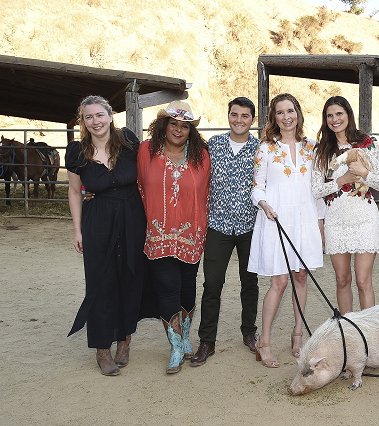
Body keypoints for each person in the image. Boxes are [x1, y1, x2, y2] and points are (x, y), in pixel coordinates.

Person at [65, 95, 148, 376]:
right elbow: (75, 191)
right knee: (100, 282)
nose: (95, 121)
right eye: (89, 117)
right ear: (83, 122)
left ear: (110, 116)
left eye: (100, 115)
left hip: (133, 217)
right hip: (98, 220)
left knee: (131, 277)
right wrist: (77, 230)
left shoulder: (128, 142)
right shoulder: (77, 152)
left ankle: (124, 341)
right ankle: (102, 348)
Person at [248, 93, 324, 368]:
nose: (286, 116)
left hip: (305, 220)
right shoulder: (266, 148)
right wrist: (264, 204)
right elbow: (257, 186)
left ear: (298, 113)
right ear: (274, 117)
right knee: (279, 282)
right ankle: (264, 342)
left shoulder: (312, 147)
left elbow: (317, 191)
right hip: (276, 218)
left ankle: (297, 334)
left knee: (301, 277)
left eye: (290, 110)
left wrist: (320, 223)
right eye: (280, 112)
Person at [137, 100, 211, 374]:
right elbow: (140, 187)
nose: (178, 130)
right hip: (159, 234)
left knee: (188, 288)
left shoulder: (201, 155)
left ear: (190, 129)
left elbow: (205, 194)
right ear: (164, 125)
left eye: (184, 125)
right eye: (174, 123)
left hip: (192, 235)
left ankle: (186, 338)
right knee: (166, 287)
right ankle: (176, 346)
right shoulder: (147, 151)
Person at [191, 97, 260, 367]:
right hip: (217, 225)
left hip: (250, 225)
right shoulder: (213, 146)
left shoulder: (260, 149)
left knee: (250, 282)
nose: (239, 120)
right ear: (228, 115)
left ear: (252, 120)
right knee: (212, 284)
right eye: (234, 114)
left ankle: (249, 332)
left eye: (245, 116)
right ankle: (207, 341)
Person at [312, 96, 379, 314]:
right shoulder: (321, 150)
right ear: (325, 120)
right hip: (336, 221)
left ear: (348, 115)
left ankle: (368, 333)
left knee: (363, 281)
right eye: (330, 115)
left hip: (365, 219)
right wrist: (341, 181)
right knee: (342, 280)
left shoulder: (368, 144)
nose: (335, 119)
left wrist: (363, 173)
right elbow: (316, 190)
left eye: (339, 114)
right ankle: (348, 331)